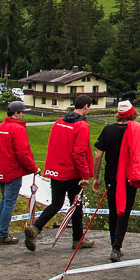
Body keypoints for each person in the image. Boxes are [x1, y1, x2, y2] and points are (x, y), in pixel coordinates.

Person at [27, 95, 95, 252]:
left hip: (56, 170)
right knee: (76, 204)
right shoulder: (82, 126)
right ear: (86, 106)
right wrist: (85, 174)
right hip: (72, 172)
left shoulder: (59, 122)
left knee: (56, 203)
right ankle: (78, 239)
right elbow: (79, 152)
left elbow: (53, 144)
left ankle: (36, 227)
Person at [96, 101, 140, 263]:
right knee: (125, 211)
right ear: (133, 114)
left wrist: (95, 177)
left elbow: (98, 155)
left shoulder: (108, 130)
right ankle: (116, 246)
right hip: (130, 175)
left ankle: (114, 244)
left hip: (111, 176)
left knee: (113, 210)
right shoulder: (137, 130)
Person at [0, 102, 38, 245]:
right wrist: (34, 168)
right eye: (22, 113)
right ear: (15, 114)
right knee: (9, 202)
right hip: (12, 171)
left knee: (4, 199)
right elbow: (23, 152)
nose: (24, 115)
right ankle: (3, 234)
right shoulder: (17, 129)